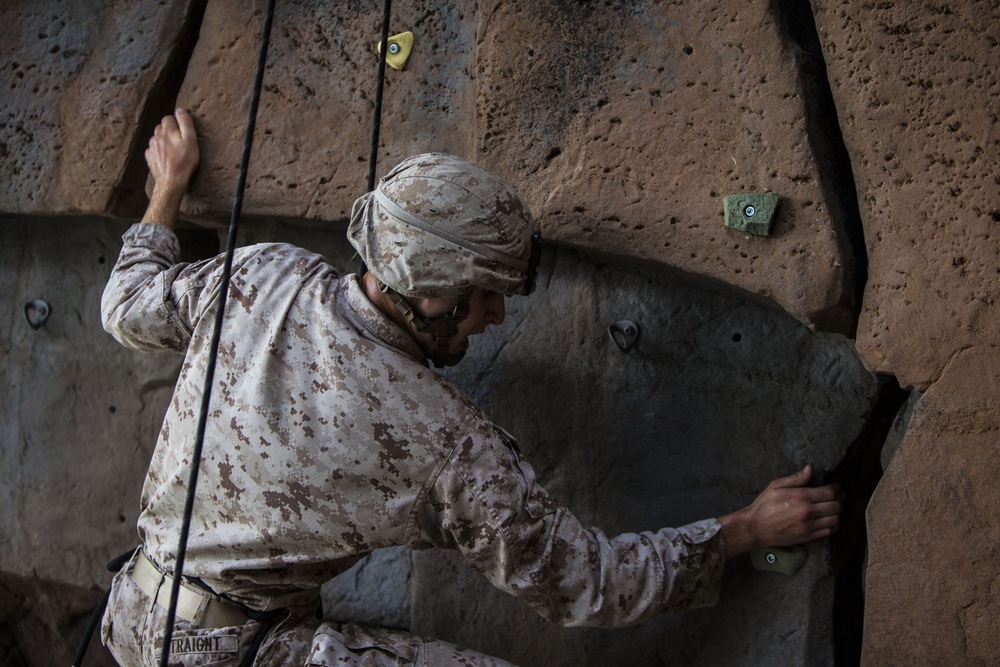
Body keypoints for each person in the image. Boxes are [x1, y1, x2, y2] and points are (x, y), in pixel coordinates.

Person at [99, 109, 843, 667]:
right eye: (484, 292)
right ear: (426, 289)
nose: (495, 315)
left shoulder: (261, 275)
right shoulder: (443, 440)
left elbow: (126, 306)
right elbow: (584, 581)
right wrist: (746, 528)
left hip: (135, 614)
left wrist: (165, 188)